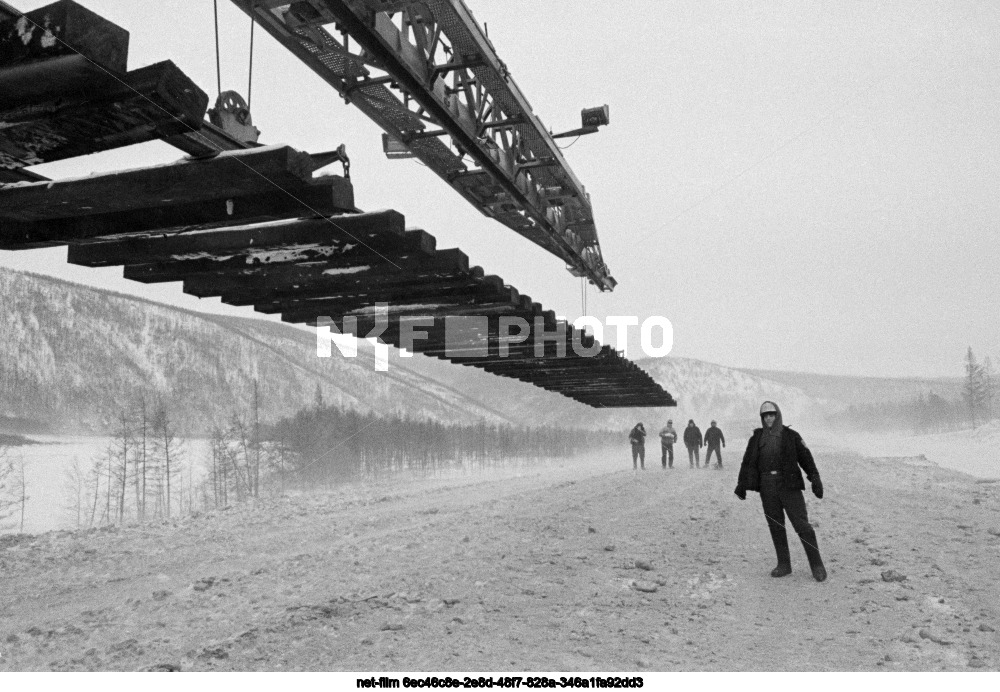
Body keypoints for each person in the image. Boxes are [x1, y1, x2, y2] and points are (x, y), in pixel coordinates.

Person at [734, 401, 827, 582]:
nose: (768, 418)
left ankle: (817, 565)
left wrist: (814, 477)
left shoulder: (791, 436)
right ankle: (784, 564)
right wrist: (741, 484)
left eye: (772, 415)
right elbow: (748, 462)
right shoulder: (756, 438)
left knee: (802, 525)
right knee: (776, 526)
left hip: (788, 485)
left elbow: (806, 458)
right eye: (765, 416)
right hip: (767, 486)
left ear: (778, 415)